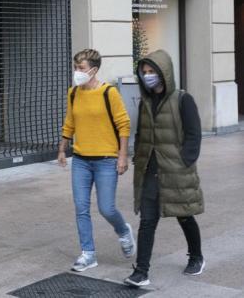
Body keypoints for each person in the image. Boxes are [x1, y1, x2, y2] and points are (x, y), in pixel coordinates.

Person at [124, 50, 204, 288]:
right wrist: (139, 158)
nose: (148, 76)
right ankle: (141, 271)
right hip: (150, 169)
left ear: (164, 73)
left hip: (175, 168)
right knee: (148, 220)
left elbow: (194, 134)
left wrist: (185, 161)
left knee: (184, 215)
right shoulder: (146, 101)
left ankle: (196, 257)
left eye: (152, 72)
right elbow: (142, 134)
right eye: (145, 72)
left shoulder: (182, 99)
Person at [58, 49, 135, 272]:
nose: (76, 72)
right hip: (81, 160)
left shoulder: (108, 93)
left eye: (80, 68)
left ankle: (123, 231)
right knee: (81, 208)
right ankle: (88, 254)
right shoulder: (73, 93)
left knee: (106, 208)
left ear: (93, 70)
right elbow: (69, 123)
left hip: (106, 160)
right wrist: (62, 150)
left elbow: (124, 124)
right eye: (75, 67)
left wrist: (122, 156)